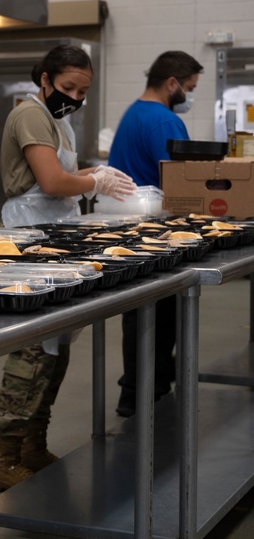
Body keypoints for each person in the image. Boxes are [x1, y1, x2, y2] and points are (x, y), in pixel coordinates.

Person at [0, 45, 137, 492]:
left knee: (57, 345)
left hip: (55, 233)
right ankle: (6, 454)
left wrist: (93, 173)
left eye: (83, 91)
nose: (74, 97)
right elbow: (50, 182)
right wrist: (92, 182)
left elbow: (58, 176)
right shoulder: (31, 115)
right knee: (34, 346)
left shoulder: (58, 120)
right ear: (46, 79)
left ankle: (33, 443)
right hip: (30, 237)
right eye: (68, 87)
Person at [108, 50, 204, 417]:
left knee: (141, 313)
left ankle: (139, 390)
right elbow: (183, 182)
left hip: (129, 230)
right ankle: (146, 394)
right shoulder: (164, 121)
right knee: (161, 315)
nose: (189, 95)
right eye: (190, 88)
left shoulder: (133, 113)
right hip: (160, 232)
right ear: (172, 83)